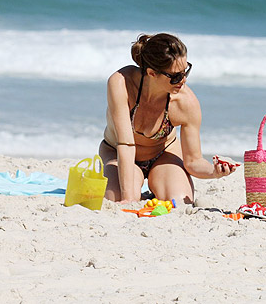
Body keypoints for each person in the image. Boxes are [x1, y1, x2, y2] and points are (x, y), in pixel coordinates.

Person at [99, 33, 236, 205]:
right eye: (175, 76)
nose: (183, 80)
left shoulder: (185, 103)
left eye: (186, 71)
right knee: (118, 199)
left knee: (178, 202)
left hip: (163, 155)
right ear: (152, 73)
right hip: (118, 153)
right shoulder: (121, 83)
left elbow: (193, 161)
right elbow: (125, 144)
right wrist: (128, 198)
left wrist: (214, 172)